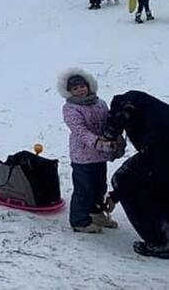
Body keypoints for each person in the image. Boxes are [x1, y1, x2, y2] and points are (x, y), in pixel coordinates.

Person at [102, 91, 169, 257]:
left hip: (162, 152)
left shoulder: (130, 106)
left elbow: (156, 162)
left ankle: (160, 242)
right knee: (141, 180)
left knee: (123, 180)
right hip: (159, 152)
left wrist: (111, 131)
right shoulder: (141, 107)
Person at [59, 69, 121, 233]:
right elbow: (80, 131)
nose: (80, 90)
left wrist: (115, 137)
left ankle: (96, 213)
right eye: (75, 88)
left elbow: (109, 121)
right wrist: (99, 142)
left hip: (100, 155)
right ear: (69, 91)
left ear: (88, 86)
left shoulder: (99, 103)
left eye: (82, 86)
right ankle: (79, 220)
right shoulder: (70, 108)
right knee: (84, 189)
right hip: (83, 156)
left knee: (99, 187)